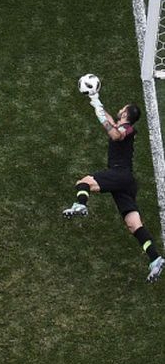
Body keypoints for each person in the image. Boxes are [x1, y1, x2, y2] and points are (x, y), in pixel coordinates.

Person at [63, 90, 165, 282]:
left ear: (126, 114)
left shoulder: (128, 130)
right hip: (125, 182)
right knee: (133, 225)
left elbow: (116, 134)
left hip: (120, 174)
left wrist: (104, 117)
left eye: (122, 109)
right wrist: (96, 100)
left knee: (83, 182)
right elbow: (110, 121)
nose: (119, 110)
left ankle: (81, 205)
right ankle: (155, 258)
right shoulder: (121, 125)